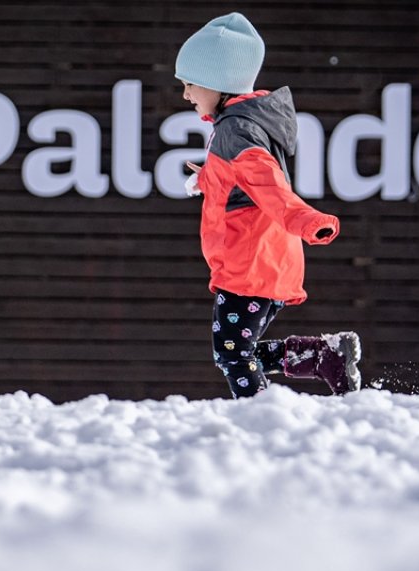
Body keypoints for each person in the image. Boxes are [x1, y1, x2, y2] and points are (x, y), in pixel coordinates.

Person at [176, 12, 363, 398]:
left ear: (217, 82)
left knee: (232, 355)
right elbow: (238, 179)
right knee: (234, 351)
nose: (186, 95)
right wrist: (206, 178)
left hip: (251, 260)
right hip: (261, 257)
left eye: (190, 84)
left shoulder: (235, 130)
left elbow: (269, 186)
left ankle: (259, 413)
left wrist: (308, 220)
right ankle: (322, 356)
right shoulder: (238, 123)